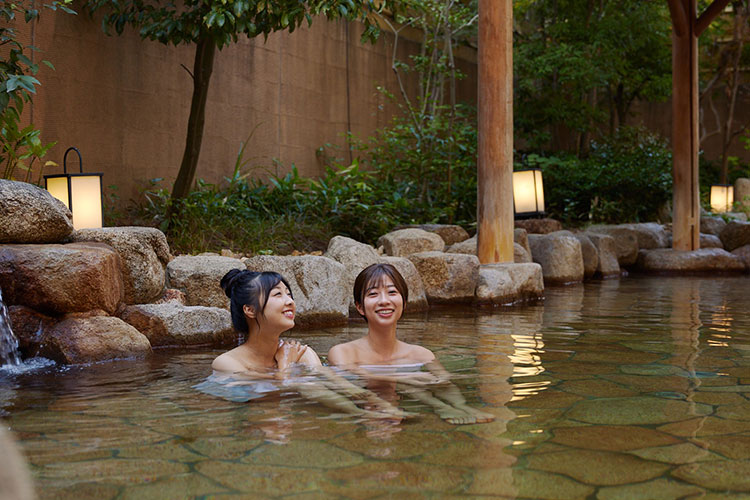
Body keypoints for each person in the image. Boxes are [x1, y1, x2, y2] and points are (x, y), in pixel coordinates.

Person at [210, 268, 405, 419]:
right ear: (250, 310)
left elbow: (332, 386)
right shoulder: (227, 364)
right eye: (278, 295)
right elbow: (264, 403)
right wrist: (285, 366)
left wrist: (379, 405)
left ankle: (368, 413)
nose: (290, 302)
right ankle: (365, 414)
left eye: (289, 294)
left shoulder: (302, 353)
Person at [328, 263, 495, 425]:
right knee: (408, 385)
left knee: (416, 387)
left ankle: (459, 407)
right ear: (360, 307)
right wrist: (406, 376)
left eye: (392, 292)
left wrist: (460, 404)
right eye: (373, 294)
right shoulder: (343, 353)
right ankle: (439, 406)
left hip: (408, 396)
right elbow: (350, 380)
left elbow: (444, 381)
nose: (384, 301)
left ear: (404, 302)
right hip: (367, 402)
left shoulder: (421, 354)